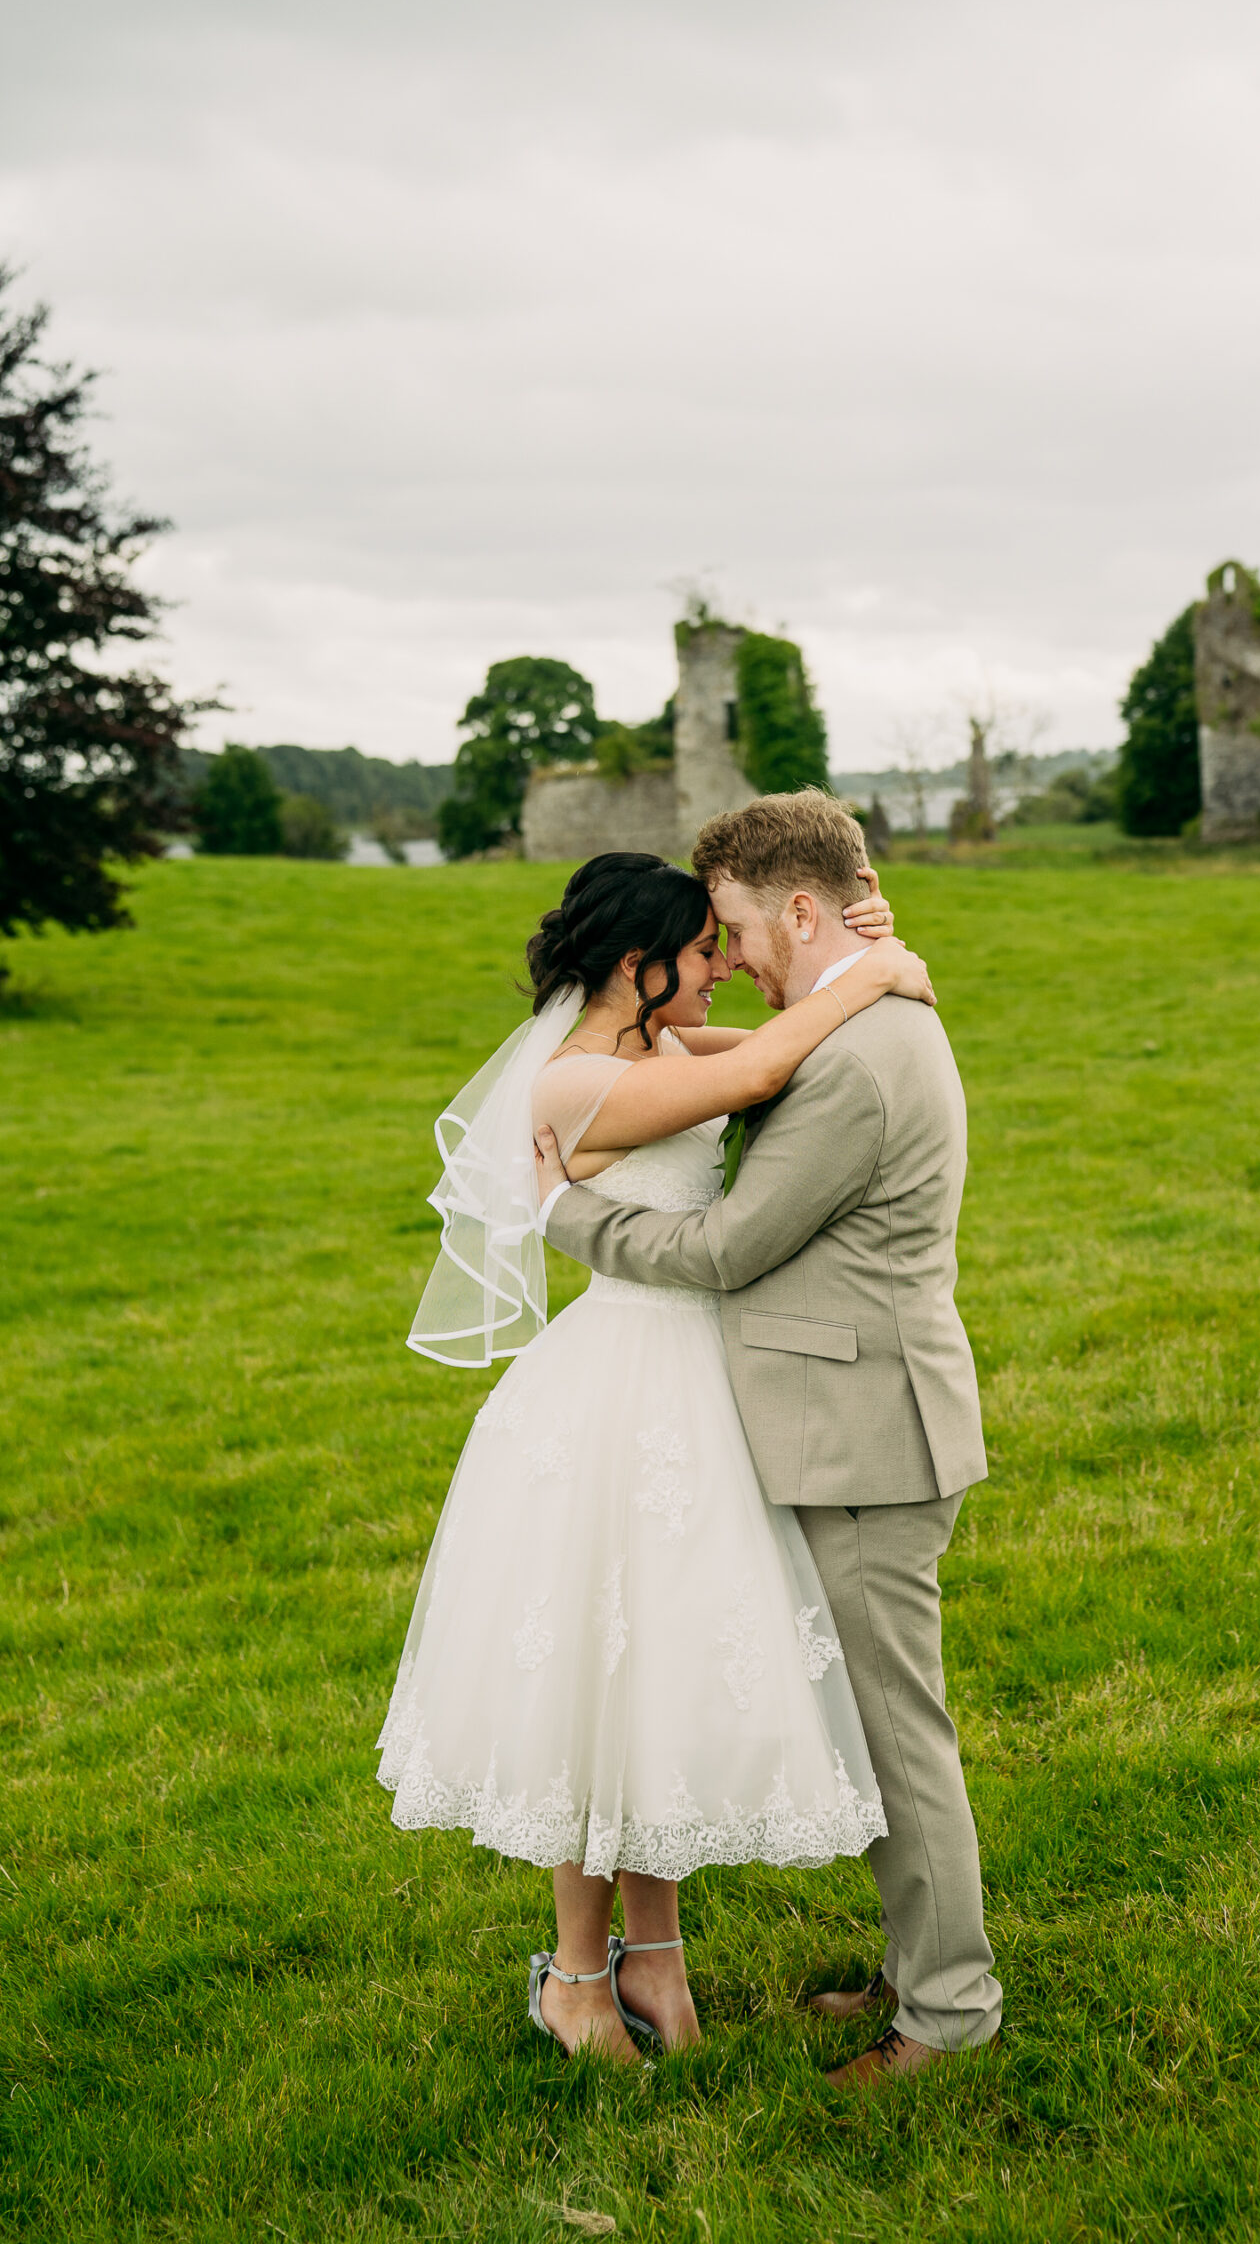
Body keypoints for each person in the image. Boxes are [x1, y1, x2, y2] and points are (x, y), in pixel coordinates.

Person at [376, 847, 935, 2063]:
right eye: (701, 951)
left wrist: (856, 941)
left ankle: (661, 1969)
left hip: (691, 1391)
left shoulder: (651, 1050)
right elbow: (778, 1063)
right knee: (596, 1680)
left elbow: (763, 1050)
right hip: (617, 1394)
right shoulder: (579, 1085)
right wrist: (886, 967)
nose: (724, 967)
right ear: (639, 967)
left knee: (658, 1680)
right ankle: (577, 1981)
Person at [535, 789, 1002, 2085]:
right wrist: (863, 960)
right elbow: (748, 1056)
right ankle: (917, 1977)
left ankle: (947, 2018)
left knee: (897, 1740)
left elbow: (734, 1245)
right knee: (874, 1730)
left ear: (797, 908)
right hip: (845, 1422)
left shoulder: (859, 1060)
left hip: (865, 1434)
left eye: (735, 925)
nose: (725, 953)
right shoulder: (857, 1023)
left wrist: (568, 1221)